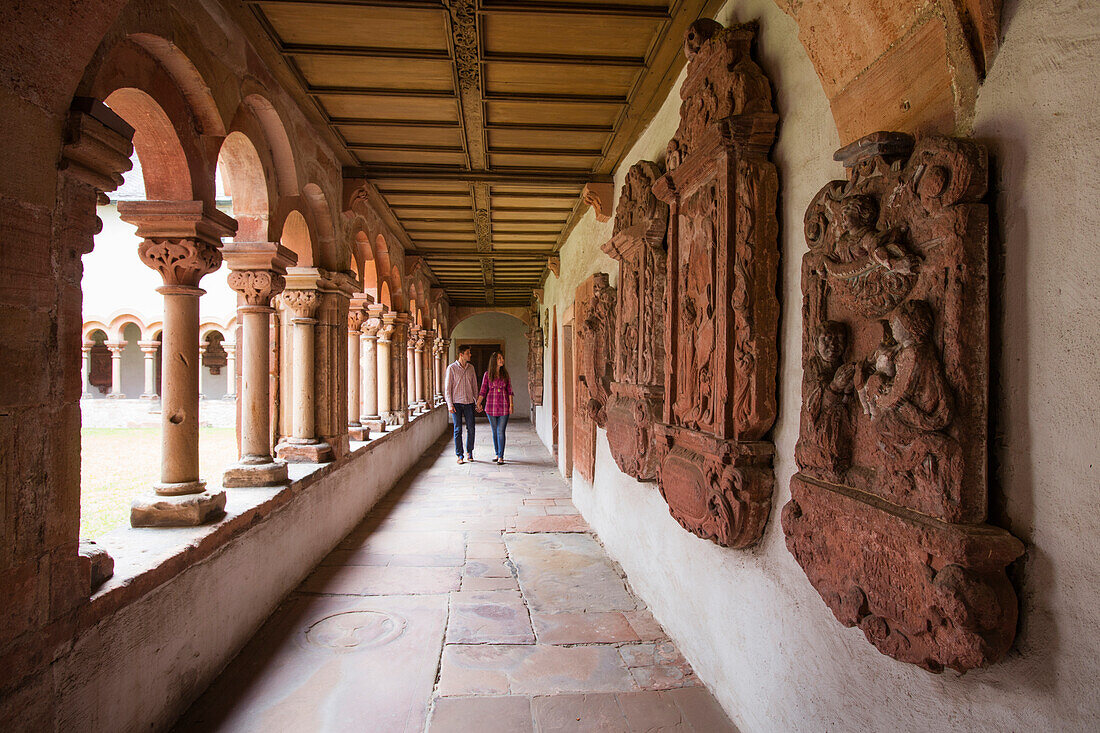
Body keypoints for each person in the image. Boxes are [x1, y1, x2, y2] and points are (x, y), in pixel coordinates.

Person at [476, 351, 513, 464]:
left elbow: (510, 391)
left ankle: (501, 456)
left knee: (501, 431)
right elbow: (483, 390)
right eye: (499, 358)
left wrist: (511, 405)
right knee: (495, 431)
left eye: (502, 358)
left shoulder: (505, 375)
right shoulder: (487, 375)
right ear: (494, 361)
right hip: (490, 407)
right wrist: (478, 403)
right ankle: (497, 453)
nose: (502, 360)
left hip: (504, 406)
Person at [444, 344, 478, 464]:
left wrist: (477, 401)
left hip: (469, 402)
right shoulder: (451, 368)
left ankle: (470, 451)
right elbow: (447, 388)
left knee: (471, 428)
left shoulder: (471, 368)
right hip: (456, 403)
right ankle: (460, 455)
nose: (470, 355)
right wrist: (449, 404)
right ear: (461, 354)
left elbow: (474, 386)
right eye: (468, 353)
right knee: (458, 429)